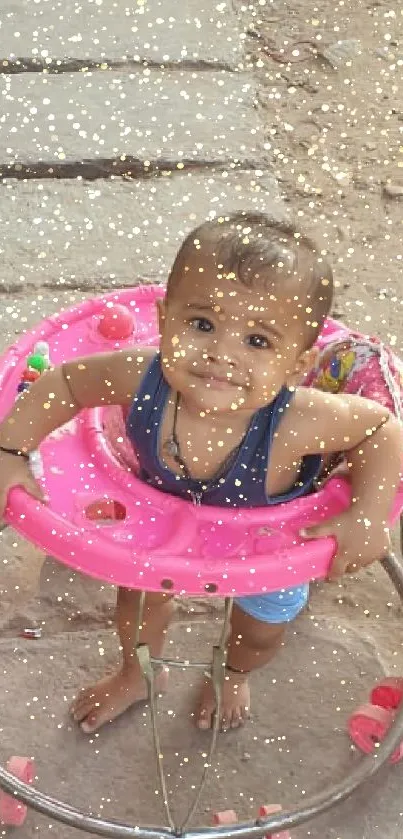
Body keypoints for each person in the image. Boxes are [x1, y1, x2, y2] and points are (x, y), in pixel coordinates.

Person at [0, 212, 401, 736]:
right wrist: (10, 448)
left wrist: (367, 515)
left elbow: (382, 432)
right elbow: (67, 384)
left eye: (258, 341)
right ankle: (137, 675)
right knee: (137, 612)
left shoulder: (301, 420)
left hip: (271, 541)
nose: (222, 353)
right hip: (159, 529)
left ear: (296, 361)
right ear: (166, 319)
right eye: (203, 324)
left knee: (258, 634)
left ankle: (231, 674)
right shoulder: (141, 378)